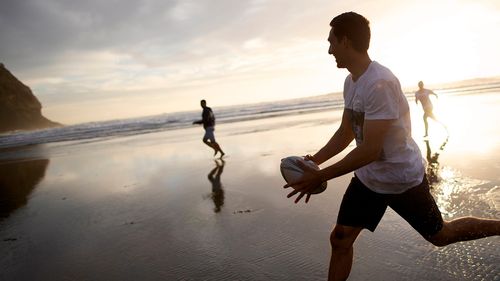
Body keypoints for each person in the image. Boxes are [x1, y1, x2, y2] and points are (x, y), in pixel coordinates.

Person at [283, 12, 500, 281]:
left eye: (332, 42)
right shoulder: (351, 82)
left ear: (346, 41)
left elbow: (370, 150)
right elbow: (346, 131)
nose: (329, 50)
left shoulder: (379, 83)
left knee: (440, 235)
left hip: (401, 179)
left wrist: (321, 176)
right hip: (369, 179)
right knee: (340, 239)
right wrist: (314, 160)